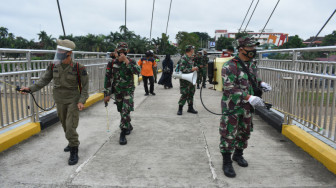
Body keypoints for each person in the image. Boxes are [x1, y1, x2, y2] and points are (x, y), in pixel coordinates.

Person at [20, 39, 89, 165]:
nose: (59, 52)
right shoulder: (53, 65)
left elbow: (85, 87)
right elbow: (43, 80)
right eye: (58, 49)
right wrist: (30, 89)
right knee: (64, 124)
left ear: (69, 53)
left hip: (73, 100)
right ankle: (71, 141)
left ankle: (74, 149)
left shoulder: (79, 68)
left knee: (70, 126)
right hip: (59, 100)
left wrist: (81, 101)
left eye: (61, 50)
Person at [220, 36, 272, 178]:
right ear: (241, 49)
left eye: (254, 48)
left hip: (247, 107)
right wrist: (249, 97)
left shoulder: (251, 64)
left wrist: (261, 84)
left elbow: (254, 77)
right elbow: (228, 88)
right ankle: (226, 162)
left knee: (244, 131)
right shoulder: (230, 66)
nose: (253, 51)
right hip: (232, 106)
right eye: (250, 48)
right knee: (229, 133)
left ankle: (238, 155)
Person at [103, 42, 141, 145]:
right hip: (118, 91)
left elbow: (137, 72)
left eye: (124, 51)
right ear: (116, 51)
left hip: (128, 91)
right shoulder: (112, 63)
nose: (122, 53)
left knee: (125, 110)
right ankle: (128, 125)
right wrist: (107, 94)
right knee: (121, 110)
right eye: (120, 51)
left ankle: (123, 133)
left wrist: (126, 61)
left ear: (127, 51)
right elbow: (108, 78)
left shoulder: (131, 61)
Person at [177, 45, 199, 115]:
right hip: (185, 81)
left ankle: (190, 108)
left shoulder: (190, 58)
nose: (194, 50)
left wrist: (194, 68)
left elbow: (190, 67)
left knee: (191, 93)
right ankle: (180, 109)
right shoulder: (184, 58)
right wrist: (191, 69)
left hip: (191, 79)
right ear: (190, 50)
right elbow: (182, 69)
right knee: (184, 94)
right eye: (193, 49)